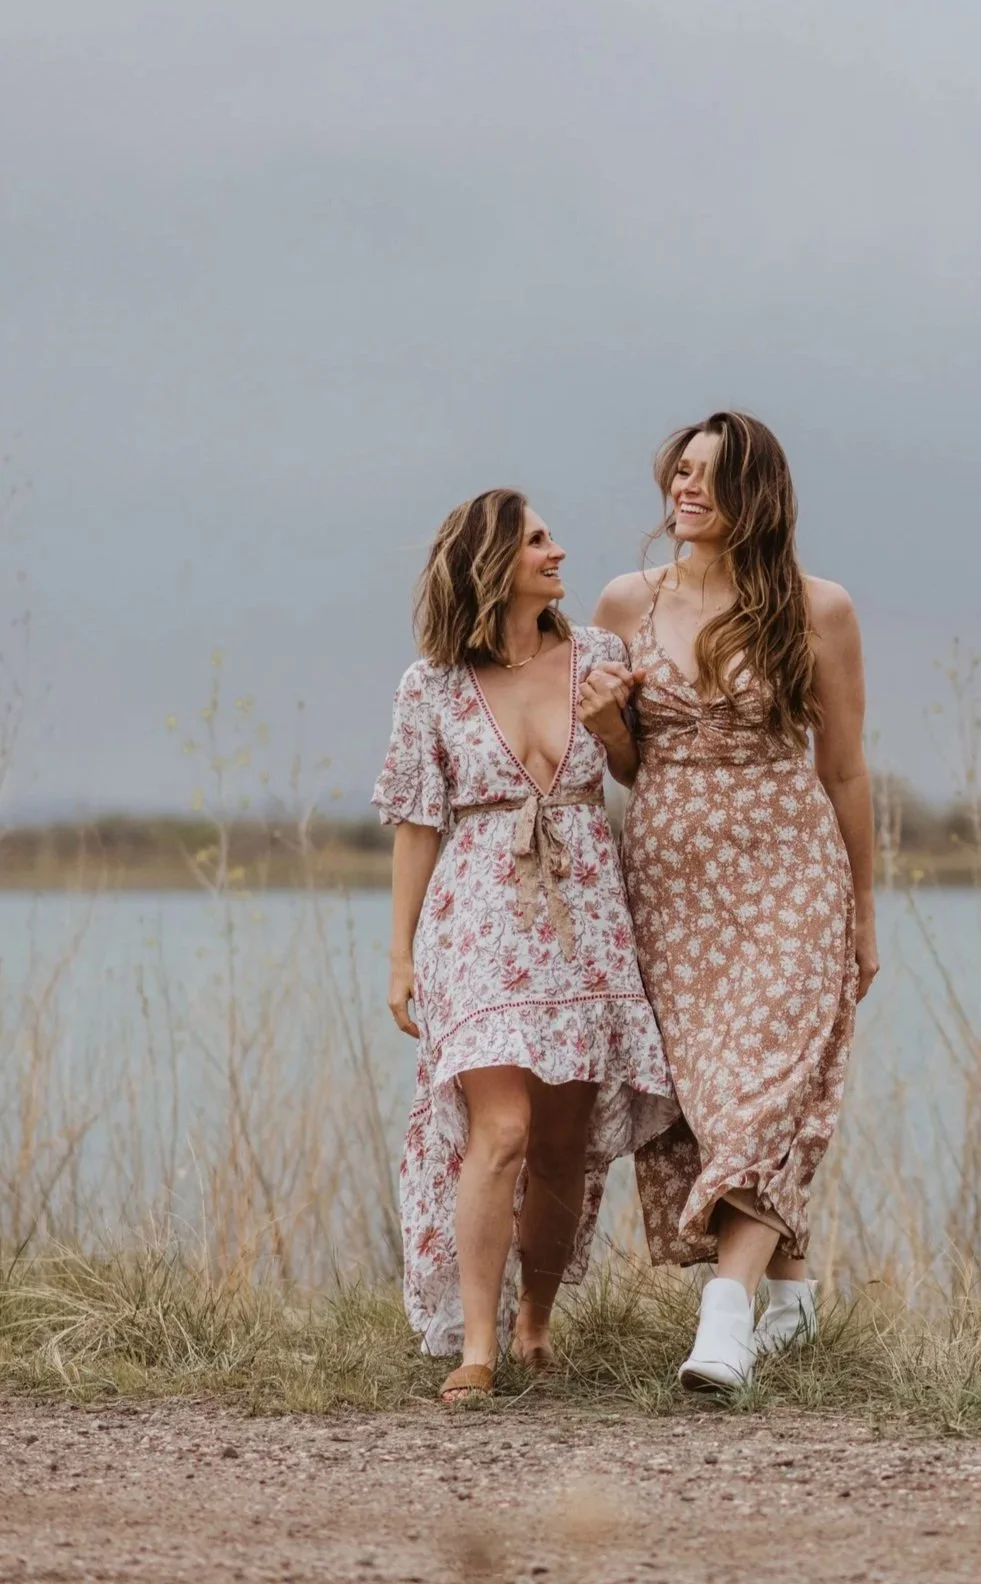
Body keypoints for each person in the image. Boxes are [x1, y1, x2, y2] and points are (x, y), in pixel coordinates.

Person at [579, 411, 877, 1392]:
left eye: (707, 476)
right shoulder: (625, 602)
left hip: (788, 863)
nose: (684, 490)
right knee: (707, 1101)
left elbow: (841, 772)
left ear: (756, 492)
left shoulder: (815, 607)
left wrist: (863, 911)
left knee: (765, 1089)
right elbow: (626, 767)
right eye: (678, 472)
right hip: (668, 876)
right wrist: (606, 729)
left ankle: (726, 1314)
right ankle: (790, 1297)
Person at [374, 488, 676, 1402]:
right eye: (538, 540)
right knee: (497, 1130)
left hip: (584, 917)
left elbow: (634, 770)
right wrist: (400, 955)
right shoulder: (429, 685)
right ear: (490, 561)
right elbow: (417, 824)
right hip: (477, 920)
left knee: (560, 1145)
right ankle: (477, 1345)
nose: (558, 551)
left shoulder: (601, 655)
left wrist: (611, 722)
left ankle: (535, 1320)